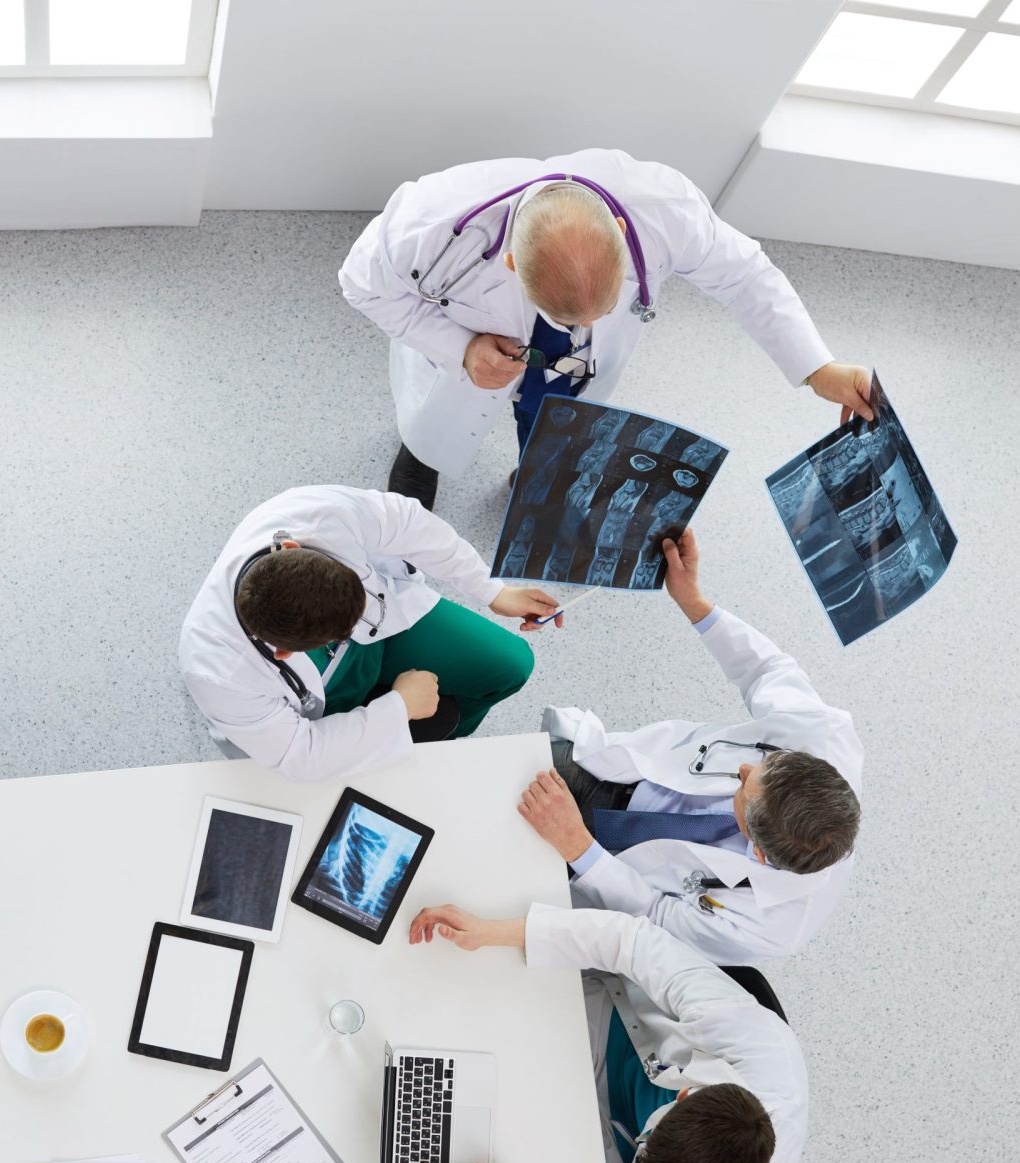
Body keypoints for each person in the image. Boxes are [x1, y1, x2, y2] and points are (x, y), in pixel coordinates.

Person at [339, 148, 873, 510]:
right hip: (473, 347)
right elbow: (361, 285)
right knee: (438, 418)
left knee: (553, 421)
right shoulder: (429, 219)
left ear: (620, 231)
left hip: (562, 374)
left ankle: (535, 473)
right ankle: (422, 454)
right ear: (510, 265)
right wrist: (460, 347)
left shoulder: (666, 207)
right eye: (571, 319)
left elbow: (745, 276)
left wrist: (816, 366)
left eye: (606, 306)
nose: (588, 328)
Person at [408, 903, 807, 1163]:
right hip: (597, 1026)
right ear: (684, 1095)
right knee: (446, 1000)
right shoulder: (752, 1038)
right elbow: (630, 941)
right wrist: (491, 931)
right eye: (649, 1148)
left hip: (584, 1151)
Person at [519, 528, 863, 963]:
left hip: (609, 866)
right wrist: (692, 601)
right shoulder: (824, 738)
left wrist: (577, 848)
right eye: (764, 763)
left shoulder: (775, 928)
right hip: (624, 772)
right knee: (495, 772)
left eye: (745, 790)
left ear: (757, 850)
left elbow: (656, 918)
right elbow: (765, 670)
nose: (743, 770)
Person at [180, 483, 560, 780]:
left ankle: (447, 740)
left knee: (510, 664)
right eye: (339, 635)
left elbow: (412, 524)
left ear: (292, 546)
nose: (356, 630)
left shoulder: (315, 512)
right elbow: (300, 756)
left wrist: (492, 590)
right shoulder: (218, 671)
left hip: (389, 628)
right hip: (321, 699)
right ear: (282, 652)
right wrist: (399, 708)